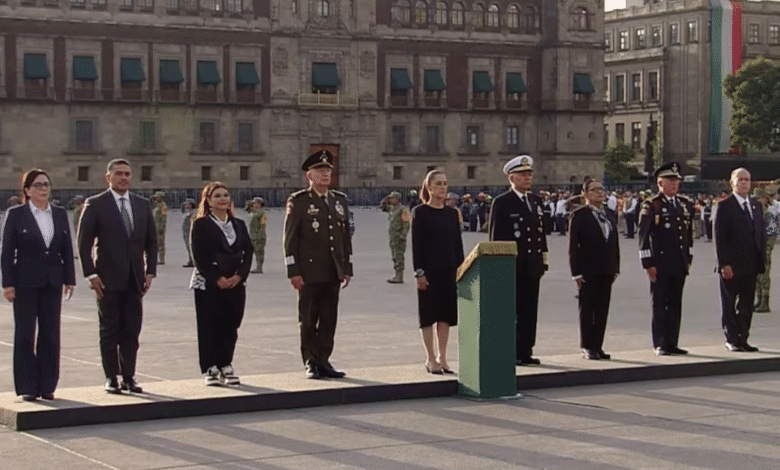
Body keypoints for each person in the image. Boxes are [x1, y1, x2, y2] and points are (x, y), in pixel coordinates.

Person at [77, 158, 157, 394]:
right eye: (119, 173)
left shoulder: (142, 205)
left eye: (127, 174)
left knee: (132, 331)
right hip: (107, 279)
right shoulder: (96, 204)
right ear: (108, 177)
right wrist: (91, 275)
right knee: (110, 330)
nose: (124, 177)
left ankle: (129, 376)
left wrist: (150, 270)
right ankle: (112, 377)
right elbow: (83, 244)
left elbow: (152, 242)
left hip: (135, 279)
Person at [1, 170, 76, 401]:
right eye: (37, 185)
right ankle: (27, 387)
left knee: (51, 333)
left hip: (52, 281)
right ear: (26, 190)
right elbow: (6, 252)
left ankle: (47, 385)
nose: (43, 189)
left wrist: (69, 279)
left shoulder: (60, 214)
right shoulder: (16, 214)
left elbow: (67, 248)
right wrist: (8, 284)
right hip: (24, 282)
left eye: (46, 184)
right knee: (25, 334)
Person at [283, 150, 353, 379]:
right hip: (309, 271)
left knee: (329, 318)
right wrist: (293, 271)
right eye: (319, 171)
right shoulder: (300, 202)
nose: (325, 175)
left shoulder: (339, 201)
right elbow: (290, 239)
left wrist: (347, 267)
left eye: (328, 171)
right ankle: (311, 361)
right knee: (308, 318)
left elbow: (344, 238)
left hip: (333, 269)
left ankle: (324, 359)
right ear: (309, 176)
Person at [189, 182, 253, 386]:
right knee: (210, 325)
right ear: (208, 201)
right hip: (209, 284)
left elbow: (248, 252)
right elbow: (199, 255)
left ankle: (226, 363)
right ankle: (210, 367)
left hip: (235, 283)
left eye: (225, 195)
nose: (222, 199)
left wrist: (239, 276)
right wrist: (217, 278)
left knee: (231, 324)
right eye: (217, 196)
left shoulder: (239, 224)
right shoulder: (200, 225)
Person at [489, 155, 548, 365]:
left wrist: (544, 260)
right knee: (510, 311)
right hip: (512, 266)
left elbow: (540, 234)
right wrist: (497, 266)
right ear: (512, 178)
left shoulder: (535, 201)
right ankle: (510, 350)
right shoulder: (502, 202)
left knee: (529, 310)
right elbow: (495, 237)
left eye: (529, 174)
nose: (527, 179)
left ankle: (526, 350)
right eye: (523, 175)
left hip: (532, 265)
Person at [637, 163, 693, 356]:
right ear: (660, 183)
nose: (674, 184)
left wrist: (689, 257)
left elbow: (688, 235)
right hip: (660, 264)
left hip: (679, 262)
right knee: (660, 303)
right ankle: (660, 342)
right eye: (670, 181)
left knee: (675, 303)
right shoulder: (652, 205)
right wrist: (647, 263)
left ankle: (672, 341)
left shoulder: (684, 204)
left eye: (676, 181)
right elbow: (643, 236)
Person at [412, 170, 464, 374]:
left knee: (445, 316)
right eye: (438, 184)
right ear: (429, 187)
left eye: (445, 183)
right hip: (429, 272)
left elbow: (457, 245)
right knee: (428, 315)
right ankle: (430, 358)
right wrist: (420, 272)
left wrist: (462, 269)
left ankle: (443, 356)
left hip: (449, 270)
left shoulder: (452, 213)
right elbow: (417, 245)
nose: (443, 187)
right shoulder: (420, 212)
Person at [715, 168, 765, 352]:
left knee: (746, 304)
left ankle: (743, 337)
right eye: (740, 179)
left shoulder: (755, 205)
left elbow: (760, 235)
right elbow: (719, 238)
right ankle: (732, 339)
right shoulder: (724, 206)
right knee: (729, 304)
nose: (744, 183)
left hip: (750, 265)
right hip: (731, 265)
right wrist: (723, 264)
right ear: (732, 183)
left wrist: (761, 261)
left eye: (747, 179)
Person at [568, 179, 620, 360]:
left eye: (601, 189)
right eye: (595, 189)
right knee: (588, 308)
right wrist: (576, 272)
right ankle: (587, 345)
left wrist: (616, 266)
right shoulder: (579, 215)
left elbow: (614, 242)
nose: (600, 192)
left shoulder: (610, 214)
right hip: (587, 269)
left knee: (602, 308)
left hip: (607, 268)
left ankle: (598, 345)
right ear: (586, 194)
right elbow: (573, 247)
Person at [753, 187, 779, 313]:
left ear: (764, 199)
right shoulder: (756, 212)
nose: (757, 201)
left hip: (765, 250)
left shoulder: (769, 214)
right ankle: (759, 299)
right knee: (757, 276)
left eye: (759, 198)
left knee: (764, 276)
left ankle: (765, 302)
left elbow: (773, 234)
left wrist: (768, 249)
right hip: (756, 249)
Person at [381, 191, 410, 284]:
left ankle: (399, 276)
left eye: (392, 198)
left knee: (399, 256)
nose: (391, 200)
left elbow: (406, 223)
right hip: (393, 237)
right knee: (394, 256)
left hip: (399, 237)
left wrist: (403, 235)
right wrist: (384, 201)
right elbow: (383, 208)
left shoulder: (403, 210)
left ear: (397, 199)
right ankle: (396, 275)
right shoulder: (393, 209)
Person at [248, 197, 267, 274]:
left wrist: (260, 235)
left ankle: (259, 268)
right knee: (253, 252)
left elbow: (263, 225)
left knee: (259, 252)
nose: (254, 205)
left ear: (259, 204)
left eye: (255, 203)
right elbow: (247, 208)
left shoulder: (262, 213)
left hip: (259, 236)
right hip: (253, 236)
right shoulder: (254, 212)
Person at [153, 191, 168, 265]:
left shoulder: (163, 206)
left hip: (159, 227)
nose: (156, 198)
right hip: (155, 226)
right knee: (156, 243)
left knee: (160, 243)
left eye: (157, 196)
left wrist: (161, 227)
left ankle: (162, 259)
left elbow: (164, 218)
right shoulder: (157, 205)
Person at [181, 198, 196, 267]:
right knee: (188, 247)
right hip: (185, 232)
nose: (186, 205)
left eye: (188, 204)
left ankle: (193, 261)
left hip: (189, 232)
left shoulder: (192, 213)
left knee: (191, 247)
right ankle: (190, 260)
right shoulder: (187, 212)